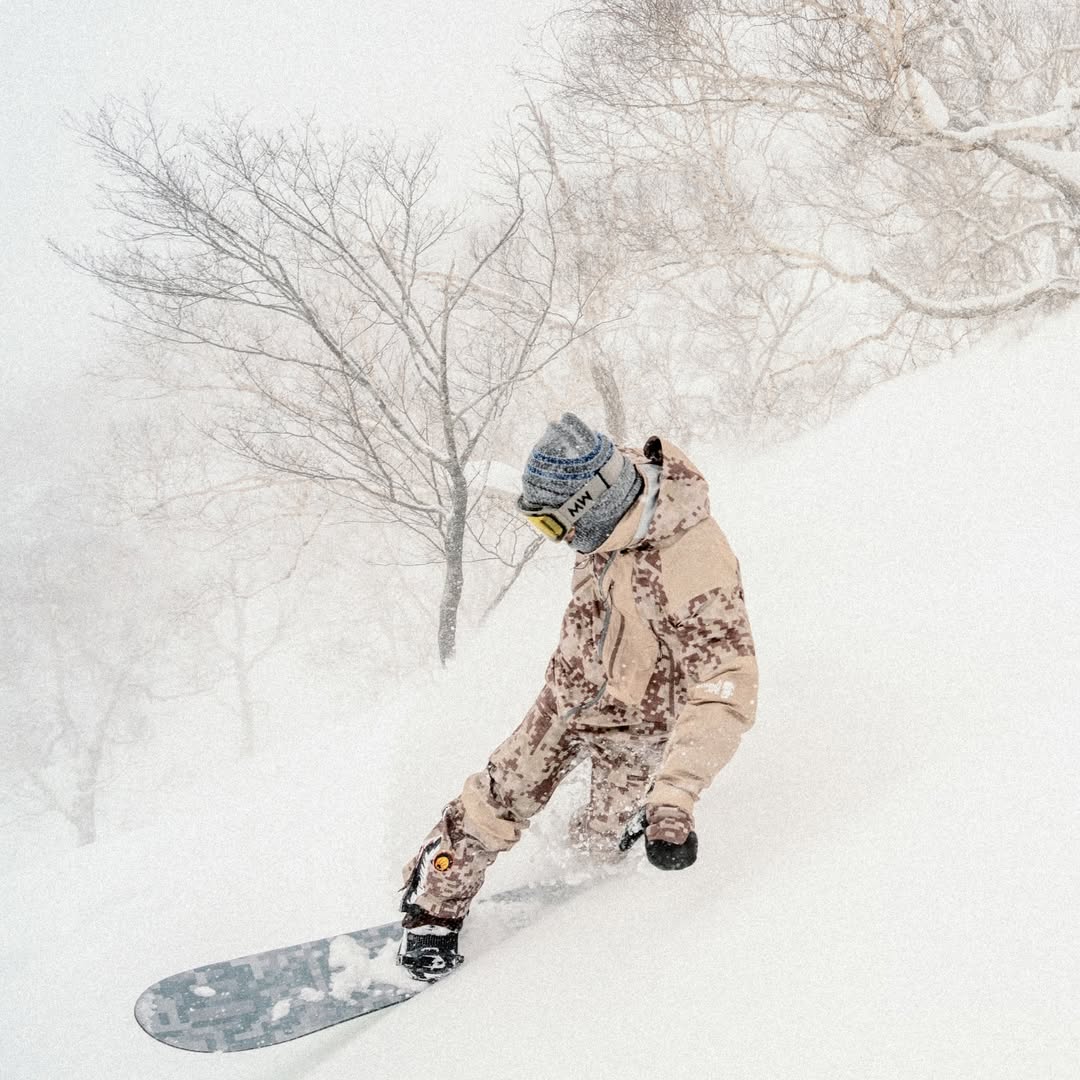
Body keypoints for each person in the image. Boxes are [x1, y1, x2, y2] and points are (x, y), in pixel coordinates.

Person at [397, 413, 758, 981]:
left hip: (638, 729)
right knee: (497, 797)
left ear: (590, 507)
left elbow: (725, 686)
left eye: (551, 523)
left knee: (598, 844)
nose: (556, 538)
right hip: (569, 695)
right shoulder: (615, 496)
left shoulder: (694, 566)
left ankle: (620, 839)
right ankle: (432, 914)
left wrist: (674, 795)